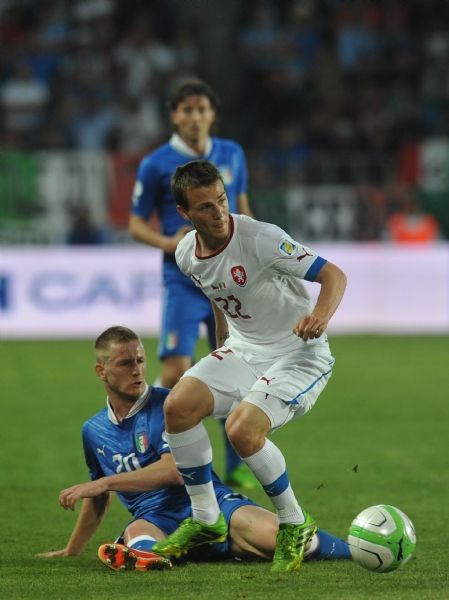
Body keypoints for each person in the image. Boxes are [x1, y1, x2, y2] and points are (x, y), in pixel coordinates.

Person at [151, 161, 347, 574]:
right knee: (177, 406)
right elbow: (217, 295)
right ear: (184, 213)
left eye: (221, 200)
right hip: (244, 351)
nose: (219, 212)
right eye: (205, 207)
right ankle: (206, 519)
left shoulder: (260, 238)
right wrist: (221, 346)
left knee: (241, 429)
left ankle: (294, 521)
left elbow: (333, 275)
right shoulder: (186, 253)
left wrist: (319, 317)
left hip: (299, 354)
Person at [37, 326, 351, 571]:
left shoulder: (170, 405)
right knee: (139, 532)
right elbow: (97, 497)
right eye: (125, 363)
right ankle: (147, 555)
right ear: (101, 371)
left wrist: (106, 482)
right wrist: (73, 549)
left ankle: (353, 550)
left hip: (214, 506)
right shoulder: (93, 431)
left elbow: (173, 470)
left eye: (140, 360)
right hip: (157, 518)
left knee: (280, 538)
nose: (137, 370)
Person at [128, 77, 255, 489]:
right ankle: (158, 451)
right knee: (175, 370)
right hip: (183, 279)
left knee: (237, 369)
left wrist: (253, 254)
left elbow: (243, 209)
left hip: (228, 278)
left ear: (212, 114)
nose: (195, 117)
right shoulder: (155, 163)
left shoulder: (232, 154)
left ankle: (238, 464)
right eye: (187, 110)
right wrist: (169, 242)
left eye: (202, 109)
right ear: (174, 116)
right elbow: (135, 224)